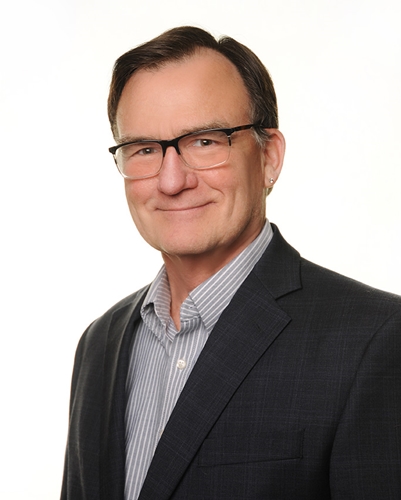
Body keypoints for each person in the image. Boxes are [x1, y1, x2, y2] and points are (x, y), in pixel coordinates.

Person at [61, 26, 401, 500]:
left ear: (269, 157)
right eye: (145, 149)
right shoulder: (100, 343)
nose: (172, 180)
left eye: (205, 141)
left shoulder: (375, 339)